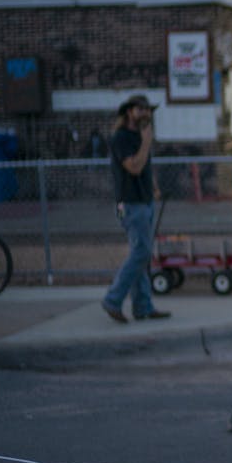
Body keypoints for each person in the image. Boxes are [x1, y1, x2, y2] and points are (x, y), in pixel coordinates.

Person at [101, 95, 169, 323]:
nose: (146, 114)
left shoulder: (138, 137)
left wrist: (155, 188)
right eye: (141, 110)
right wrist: (147, 142)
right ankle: (113, 299)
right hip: (128, 205)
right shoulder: (121, 138)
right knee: (141, 252)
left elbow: (146, 168)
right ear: (129, 112)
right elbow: (134, 168)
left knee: (142, 255)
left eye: (148, 110)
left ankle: (143, 307)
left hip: (145, 201)